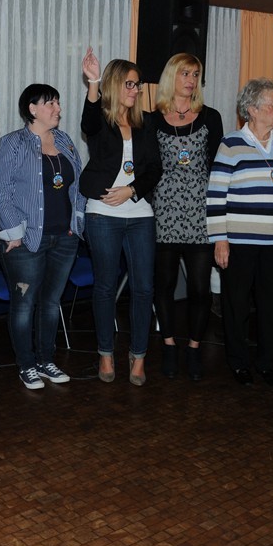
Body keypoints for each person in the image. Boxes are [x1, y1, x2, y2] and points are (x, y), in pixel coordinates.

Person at [207, 78, 273, 388]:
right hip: (239, 242)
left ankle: (266, 362)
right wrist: (220, 239)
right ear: (252, 109)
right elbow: (216, 195)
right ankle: (238, 362)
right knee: (236, 305)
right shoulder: (231, 144)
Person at [80, 47, 162, 386]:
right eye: (129, 84)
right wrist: (93, 83)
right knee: (105, 286)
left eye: (138, 84)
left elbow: (154, 168)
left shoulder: (146, 123)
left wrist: (131, 190)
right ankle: (105, 352)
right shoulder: (101, 120)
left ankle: (138, 356)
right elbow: (87, 122)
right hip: (102, 214)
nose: (135, 90)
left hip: (140, 213)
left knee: (143, 288)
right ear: (115, 85)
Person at [0, 84, 86, 389]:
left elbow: (77, 185)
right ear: (32, 109)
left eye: (58, 103)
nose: (58, 108)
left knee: (51, 303)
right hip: (26, 240)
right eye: (50, 103)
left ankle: (46, 360)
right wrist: (13, 233)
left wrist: (77, 222)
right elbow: (1, 189)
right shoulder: (14, 143)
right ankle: (26, 365)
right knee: (24, 305)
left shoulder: (64, 140)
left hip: (65, 238)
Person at [150, 53, 223, 382]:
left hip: (200, 214)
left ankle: (193, 348)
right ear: (171, 77)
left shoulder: (210, 117)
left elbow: (218, 169)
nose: (191, 80)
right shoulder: (153, 119)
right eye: (185, 73)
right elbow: (148, 167)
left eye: (195, 74)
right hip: (164, 213)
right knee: (164, 285)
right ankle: (168, 345)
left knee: (199, 288)